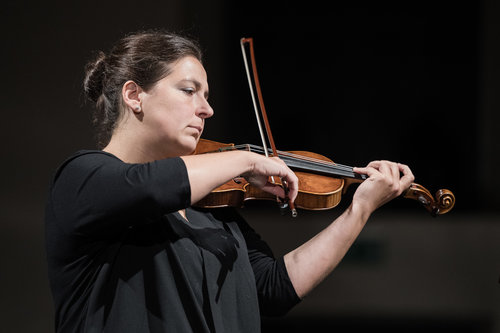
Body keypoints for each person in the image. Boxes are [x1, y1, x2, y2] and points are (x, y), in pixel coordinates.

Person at [45, 29, 414, 333]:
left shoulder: (213, 210)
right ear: (134, 95)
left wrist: (360, 208)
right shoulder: (83, 179)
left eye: (206, 96)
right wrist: (245, 159)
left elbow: (275, 288)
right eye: (189, 91)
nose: (207, 109)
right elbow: (151, 187)